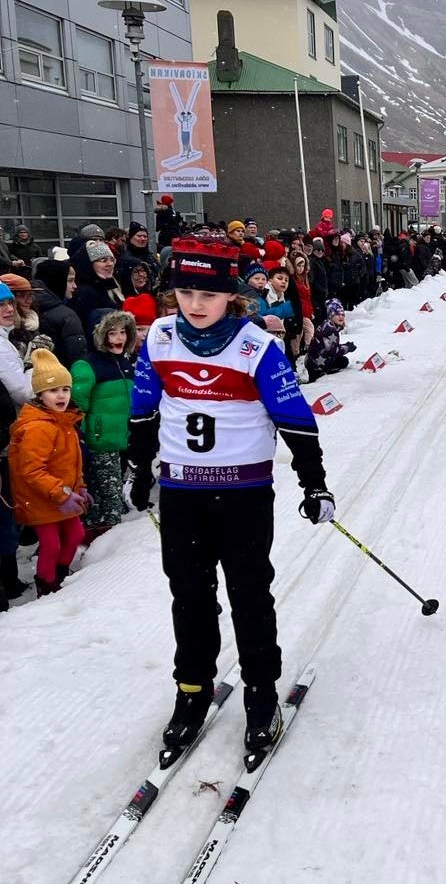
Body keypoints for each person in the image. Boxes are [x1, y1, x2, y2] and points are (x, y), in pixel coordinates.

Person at [125, 237, 335, 754]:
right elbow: (143, 412)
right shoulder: (158, 341)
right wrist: (139, 469)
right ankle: (191, 690)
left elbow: (295, 419)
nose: (196, 304)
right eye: (186, 292)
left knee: (248, 593)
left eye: (209, 294)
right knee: (189, 596)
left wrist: (314, 481)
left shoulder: (256, 347)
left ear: (231, 297)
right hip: (182, 494)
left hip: (242, 494)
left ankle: (261, 692)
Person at [9, 348, 89, 596]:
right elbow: (32, 470)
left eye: (65, 389)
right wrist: (61, 493)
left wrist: (81, 486)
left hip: (65, 494)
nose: (61, 395)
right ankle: (47, 582)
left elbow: (72, 462)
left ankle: (61, 574)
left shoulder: (65, 421)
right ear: (40, 395)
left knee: (76, 534)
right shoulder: (38, 428)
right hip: (42, 498)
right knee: (51, 545)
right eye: (53, 390)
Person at [70, 311, 135, 542]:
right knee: (107, 498)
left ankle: (100, 537)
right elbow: (77, 407)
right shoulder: (86, 365)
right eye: (111, 333)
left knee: (111, 492)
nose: (119, 338)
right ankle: (106, 546)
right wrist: (85, 436)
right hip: (98, 442)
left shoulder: (125, 363)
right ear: (100, 336)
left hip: (120, 440)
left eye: (123, 332)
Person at [305, 298, 356, 382]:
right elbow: (333, 351)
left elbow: (331, 346)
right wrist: (347, 347)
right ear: (331, 315)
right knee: (343, 361)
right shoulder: (330, 329)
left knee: (342, 360)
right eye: (337, 314)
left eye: (342, 314)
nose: (341, 317)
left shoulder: (329, 325)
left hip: (314, 359)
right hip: (317, 363)